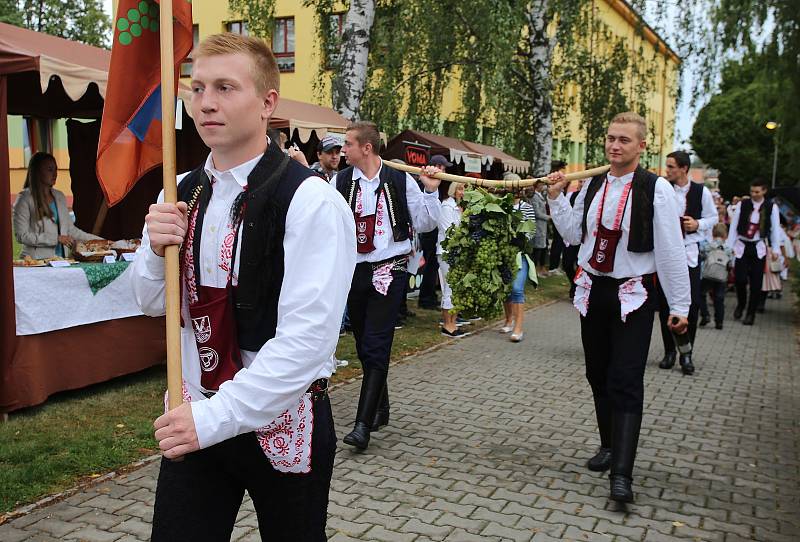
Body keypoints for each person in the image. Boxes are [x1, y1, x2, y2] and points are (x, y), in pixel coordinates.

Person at [129, 33, 355, 541]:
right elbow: (148, 303)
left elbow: (306, 343)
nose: (206, 103)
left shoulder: (310, 201)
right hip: (196, 414)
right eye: (197, 88)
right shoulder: (180, 190)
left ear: (267, 102)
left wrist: (214, 419)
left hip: (281, 418)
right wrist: (152, 246)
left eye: (226, 88)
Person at [547, 112, 689, 503]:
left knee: (626, 380)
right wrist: (557, 198)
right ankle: (609, 446)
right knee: (598, 374)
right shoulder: (593, 184)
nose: (614, 146)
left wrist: (680, 305)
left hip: (634, 295)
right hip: (594, 290)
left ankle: (622, 475)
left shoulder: (654, 189)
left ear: (642, 146)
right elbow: (575, 235)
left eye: (624, 140)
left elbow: (671, 249)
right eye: (610, 138)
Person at [332, 121, 441, 451]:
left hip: (389, 271)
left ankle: (362, 425)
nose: (342, 150)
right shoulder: (340, 181)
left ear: (366, 148)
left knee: (377, 344)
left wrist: (431, 191)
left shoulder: (399, 178)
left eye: (348, 144)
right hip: (355, 271)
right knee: (365, 342)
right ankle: (382, 406)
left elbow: (425, 222)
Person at [656, 150, 717, 376]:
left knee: (689, 308)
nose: (667, 170)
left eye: (672, 167)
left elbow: (713, 218)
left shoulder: (701, 192)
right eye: (667, 166)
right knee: (664, 306)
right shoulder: (662, 189)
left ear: (684, 168)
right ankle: (669, 351)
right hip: (665, 255)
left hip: (689, 254)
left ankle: (686, 353)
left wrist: (697, 224)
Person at [13, 152, 101, 258]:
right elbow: (21, 236)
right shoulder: (25, 198)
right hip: (35, 263)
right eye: (50, 169)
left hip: (60, 262)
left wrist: (102, 241)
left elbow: (71, 231)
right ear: (37, 171)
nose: (55, 174)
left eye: (55, 169)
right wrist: (56, 239)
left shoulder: (59, 196)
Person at [726, 178, 784, 325]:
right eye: (752, 191)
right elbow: (734, 225)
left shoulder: (771, 207)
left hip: (758, 247)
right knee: (740, 279)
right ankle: (741, 303)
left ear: (764, 191)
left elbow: (775, 229)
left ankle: (750, 313)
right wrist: (729, 245)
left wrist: (776, 248)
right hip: (742, 245)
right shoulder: (743, 204)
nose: (754, 194)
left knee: (756, 282)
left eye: (757, 191)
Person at [501, 185, 536, 343]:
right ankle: (509, 320)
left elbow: (532, 229)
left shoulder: (527, 207)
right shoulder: (502, 206)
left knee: (517, 288)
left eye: (515, 189)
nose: (513, 193)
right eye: (509, 189)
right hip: (503, 253)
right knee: (506, 288)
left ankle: (518, 328)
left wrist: (520, 237)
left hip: (520, 253)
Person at [417, 154, 451, 310]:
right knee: (430, 265)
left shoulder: (439, 184)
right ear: (437, 166)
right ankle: (426, 298)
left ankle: (429, 296)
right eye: (443, 167)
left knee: (432, 266)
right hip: (428, 233)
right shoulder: (423, 183)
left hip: (434, 231)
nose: (444, 171)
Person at [438, 181, 469, 338]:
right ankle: (447, 325)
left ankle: (453, 323)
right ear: (453, 190)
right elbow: (448, 231)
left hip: (458, 252)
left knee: (457, 288)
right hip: (446, 252)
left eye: (464, 189)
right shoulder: (446, 206)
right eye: (460, 188)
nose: (462, 192)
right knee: (449, 287)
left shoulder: (459, 208)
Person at [700, 223, 733, 329]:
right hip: (721, 277)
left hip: (708, 275)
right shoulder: (728, 249)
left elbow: (702, 255)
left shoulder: (708, 246)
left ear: (713, 234)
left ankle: (705, 315)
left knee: (701, 294)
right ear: (726, 236)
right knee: (719, 298)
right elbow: (731, 263)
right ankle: (719, 322)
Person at [547, 160, 568, 275]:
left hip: (556, 210)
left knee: (559, 241)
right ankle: (553, 266)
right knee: (558, 241)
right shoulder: (554, 178)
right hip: (555, 211)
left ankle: (554, 266)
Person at [528, 179, 550, 275]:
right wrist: (548, 217)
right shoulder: (535, 197)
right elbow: (536, 212)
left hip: (542, 226)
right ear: (538, 186)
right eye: (542, 185)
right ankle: (534, 270)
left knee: (542, 247)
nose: (543, 187)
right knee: (537, 249)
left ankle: (540, 268)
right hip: (538, 225)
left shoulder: (540, 196)